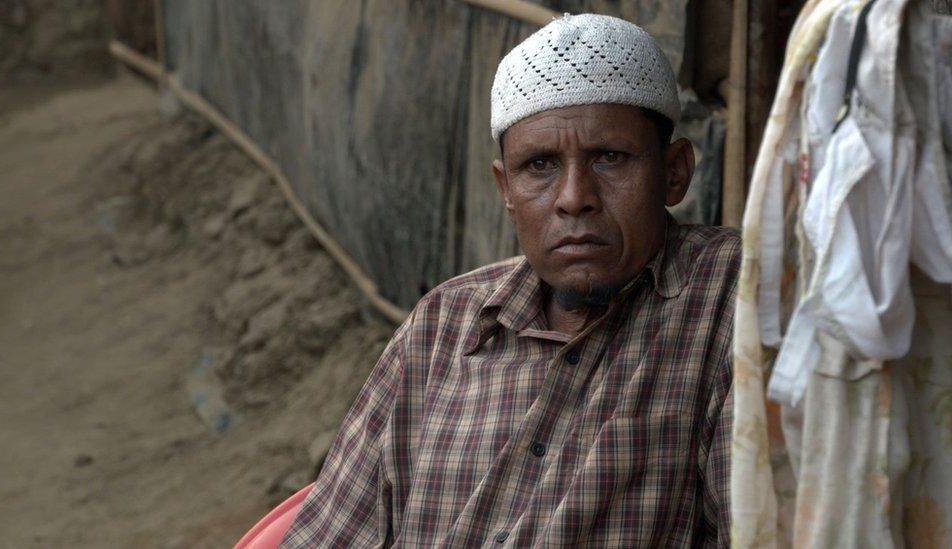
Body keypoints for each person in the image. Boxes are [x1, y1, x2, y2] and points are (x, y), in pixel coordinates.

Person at [281, 13, 739, 547]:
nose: (573, 196)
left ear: (675, 172)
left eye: (610, 158)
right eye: (540, 165)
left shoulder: (731, 302)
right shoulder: (443, 326)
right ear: (505, 188)